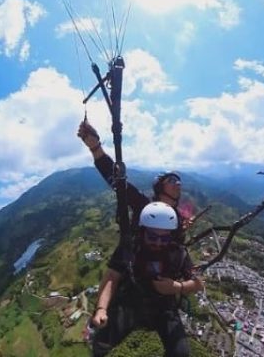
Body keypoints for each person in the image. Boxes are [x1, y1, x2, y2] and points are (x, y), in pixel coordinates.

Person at [90, 202, 204, 357]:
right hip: (131, 300)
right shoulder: (130, 248)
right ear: (142, 232)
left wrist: (178, 287)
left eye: (164, 238)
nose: (158, 243)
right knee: (101, 340)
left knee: (180, 353)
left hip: (164, 306)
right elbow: (112, 276)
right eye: (152, 236)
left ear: (171, 236)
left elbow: (198, 283)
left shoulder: (178, 252)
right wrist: (101, 309)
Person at [77, 119, 187, 230]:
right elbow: (116, 178)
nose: (178, 183)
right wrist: (95, 147)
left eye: (178, 181)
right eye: (172, 180)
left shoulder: (177, 217)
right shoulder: (143, 205)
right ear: (160, 187)